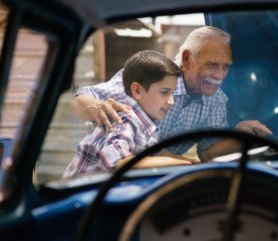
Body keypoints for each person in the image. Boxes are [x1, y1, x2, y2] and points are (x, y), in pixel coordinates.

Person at [72, 26, 272, 162]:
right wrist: (98, 108)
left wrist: (238, 136)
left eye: (225, 67)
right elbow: (79, 101)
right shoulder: (150, 74)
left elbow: (208, 153)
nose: (220, 76)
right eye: (212, 65)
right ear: (186, 59)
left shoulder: (217, 100)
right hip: (101, 179)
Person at [63, 50, 192, 178]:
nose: (171, 101)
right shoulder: (126, 120)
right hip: (80, 194)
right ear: (137, 90)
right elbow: (114, 162)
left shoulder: (147, 125)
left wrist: (188, 163)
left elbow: (154, 156)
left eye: (173, 93)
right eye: (164, 92)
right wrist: (176, 163)